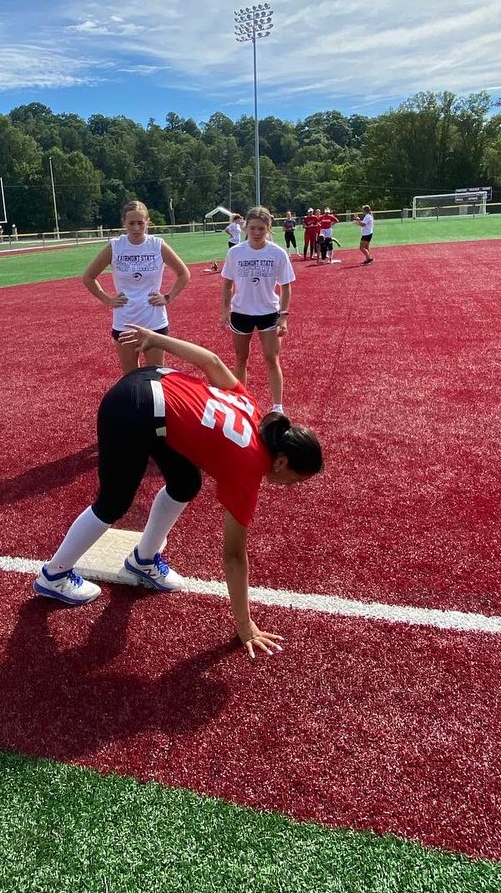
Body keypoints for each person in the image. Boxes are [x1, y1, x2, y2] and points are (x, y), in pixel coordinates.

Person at [31, 326, 323, 658]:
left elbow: (212, 361)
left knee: (185, 482)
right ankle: (54, 575)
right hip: (133, 407)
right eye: (295, 480)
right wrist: (245, 625)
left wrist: (156, 340)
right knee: (114, 502)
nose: (290, 487)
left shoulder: (254, 412)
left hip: (153, 386)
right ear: (281, 461)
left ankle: (143, 560)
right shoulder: (249, 468)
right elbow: (233, 555)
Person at [82, 200, 191, 374]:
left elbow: (184, 274)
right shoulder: (116, 246)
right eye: (131, 223)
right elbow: (88, 277)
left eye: (140, 223)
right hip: (125, 321)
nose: (136, 228)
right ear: (123, 223)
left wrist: (168, 297)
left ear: (148, 222)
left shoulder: (157, 245)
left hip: (154, 320)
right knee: (130, 377)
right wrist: (108, 300)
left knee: (155, 375)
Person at [220, 206, 295, 413]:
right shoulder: (235, 252)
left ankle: (278, 407)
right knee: (240, 358)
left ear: (269, 228)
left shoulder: (277, 253)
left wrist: (284, 316)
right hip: (241, 312)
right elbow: (227, 284)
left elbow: (286, 286)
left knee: (272, 358)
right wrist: (225, 311)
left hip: (269, 313)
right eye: (252, 228)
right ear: (245, 228)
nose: (256, 232)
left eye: (261, 228)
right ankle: (241, 401)